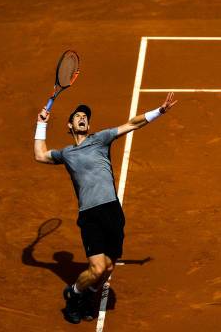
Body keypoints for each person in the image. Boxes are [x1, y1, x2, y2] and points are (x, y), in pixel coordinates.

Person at [33, 92, 178, 324]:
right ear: (70, 125)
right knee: (97, 268)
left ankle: (87, 296)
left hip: (112, 212)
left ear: (88, 125)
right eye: (77, 116)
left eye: (85, 117)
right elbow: (40, 155)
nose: (82, 118)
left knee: (109, 266)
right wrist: (41, 123)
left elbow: (132, 124)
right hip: (90, 215)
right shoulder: (66, 153)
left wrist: (159, 111)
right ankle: (73, 294)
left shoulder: (100, 139)